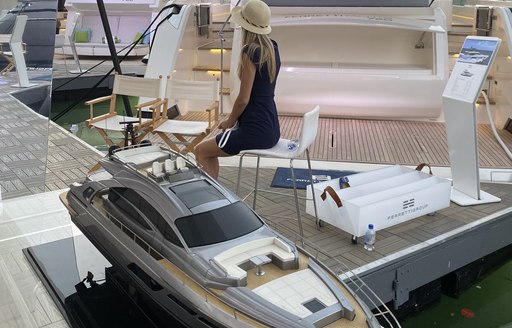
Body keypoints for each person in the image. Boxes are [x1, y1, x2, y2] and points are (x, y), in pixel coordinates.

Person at [194, 0, 281, 180]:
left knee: (201, 150)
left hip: (254, 132)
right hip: (271, 129)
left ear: (245, 24)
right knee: (209, 150)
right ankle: (215, 194)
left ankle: (210, 198)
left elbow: (243, 99)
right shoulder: (272, 48)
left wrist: (229, 121)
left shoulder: (250, 51)